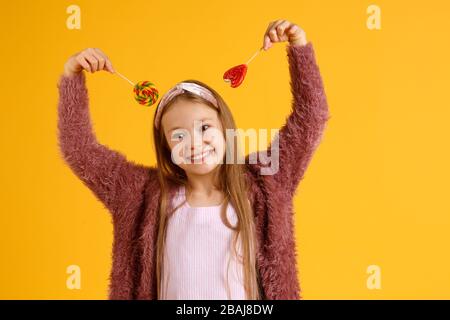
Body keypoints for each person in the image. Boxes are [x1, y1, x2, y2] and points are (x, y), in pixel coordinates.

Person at [57, 19, 331, 300]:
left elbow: (311, 119)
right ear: (165, 147)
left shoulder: (267, 181)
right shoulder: (138, 195)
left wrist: (298, 47)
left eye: (204, 127)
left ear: (225, 128)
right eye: (178, 135)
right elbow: (80, 151)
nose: (194, 143)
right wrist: (72, 75)